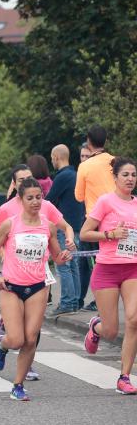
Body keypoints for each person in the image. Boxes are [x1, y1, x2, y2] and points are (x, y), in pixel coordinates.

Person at [0, 177, 71, 401]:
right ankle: (2, 344)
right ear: (21, 199)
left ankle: (18, 384)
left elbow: (56, 258)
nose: (35, 202)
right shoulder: (10, 224)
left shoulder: (48, 225)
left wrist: (64, 256)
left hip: (38, 286)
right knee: (16, 339)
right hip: (12, 287)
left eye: (38, 197)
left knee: (30, 339)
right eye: (30, 198)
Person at [80, 157, 137, 395]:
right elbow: (85, 233)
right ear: (115, 178)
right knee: (112, 331)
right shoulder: (105, 201)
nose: (130, 179)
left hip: (133, 268)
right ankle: (97, 328)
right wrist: (111, 234)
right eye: (125, 174)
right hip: (107, 269)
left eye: (134, 175)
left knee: (134, 320)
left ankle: (124, 377)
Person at [75, 125, 115, 312]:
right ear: (106, 141)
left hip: (94, 222)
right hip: (116, 219)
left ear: (89, 142)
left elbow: (79, 196)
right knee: (115, 262)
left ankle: (98, 302)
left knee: (94, 264)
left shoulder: (85, 166)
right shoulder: (116, 162)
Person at [46, 145, 85, 314]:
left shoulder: (62, 177)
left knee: (63, 264)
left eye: (52, 158)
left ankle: (67, 303)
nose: (52, 161)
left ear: (56, 157)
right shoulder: (75, 175)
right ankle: (75, 301)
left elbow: (48, 200)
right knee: (73, 264)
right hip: (76, 226)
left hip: (64, 227)